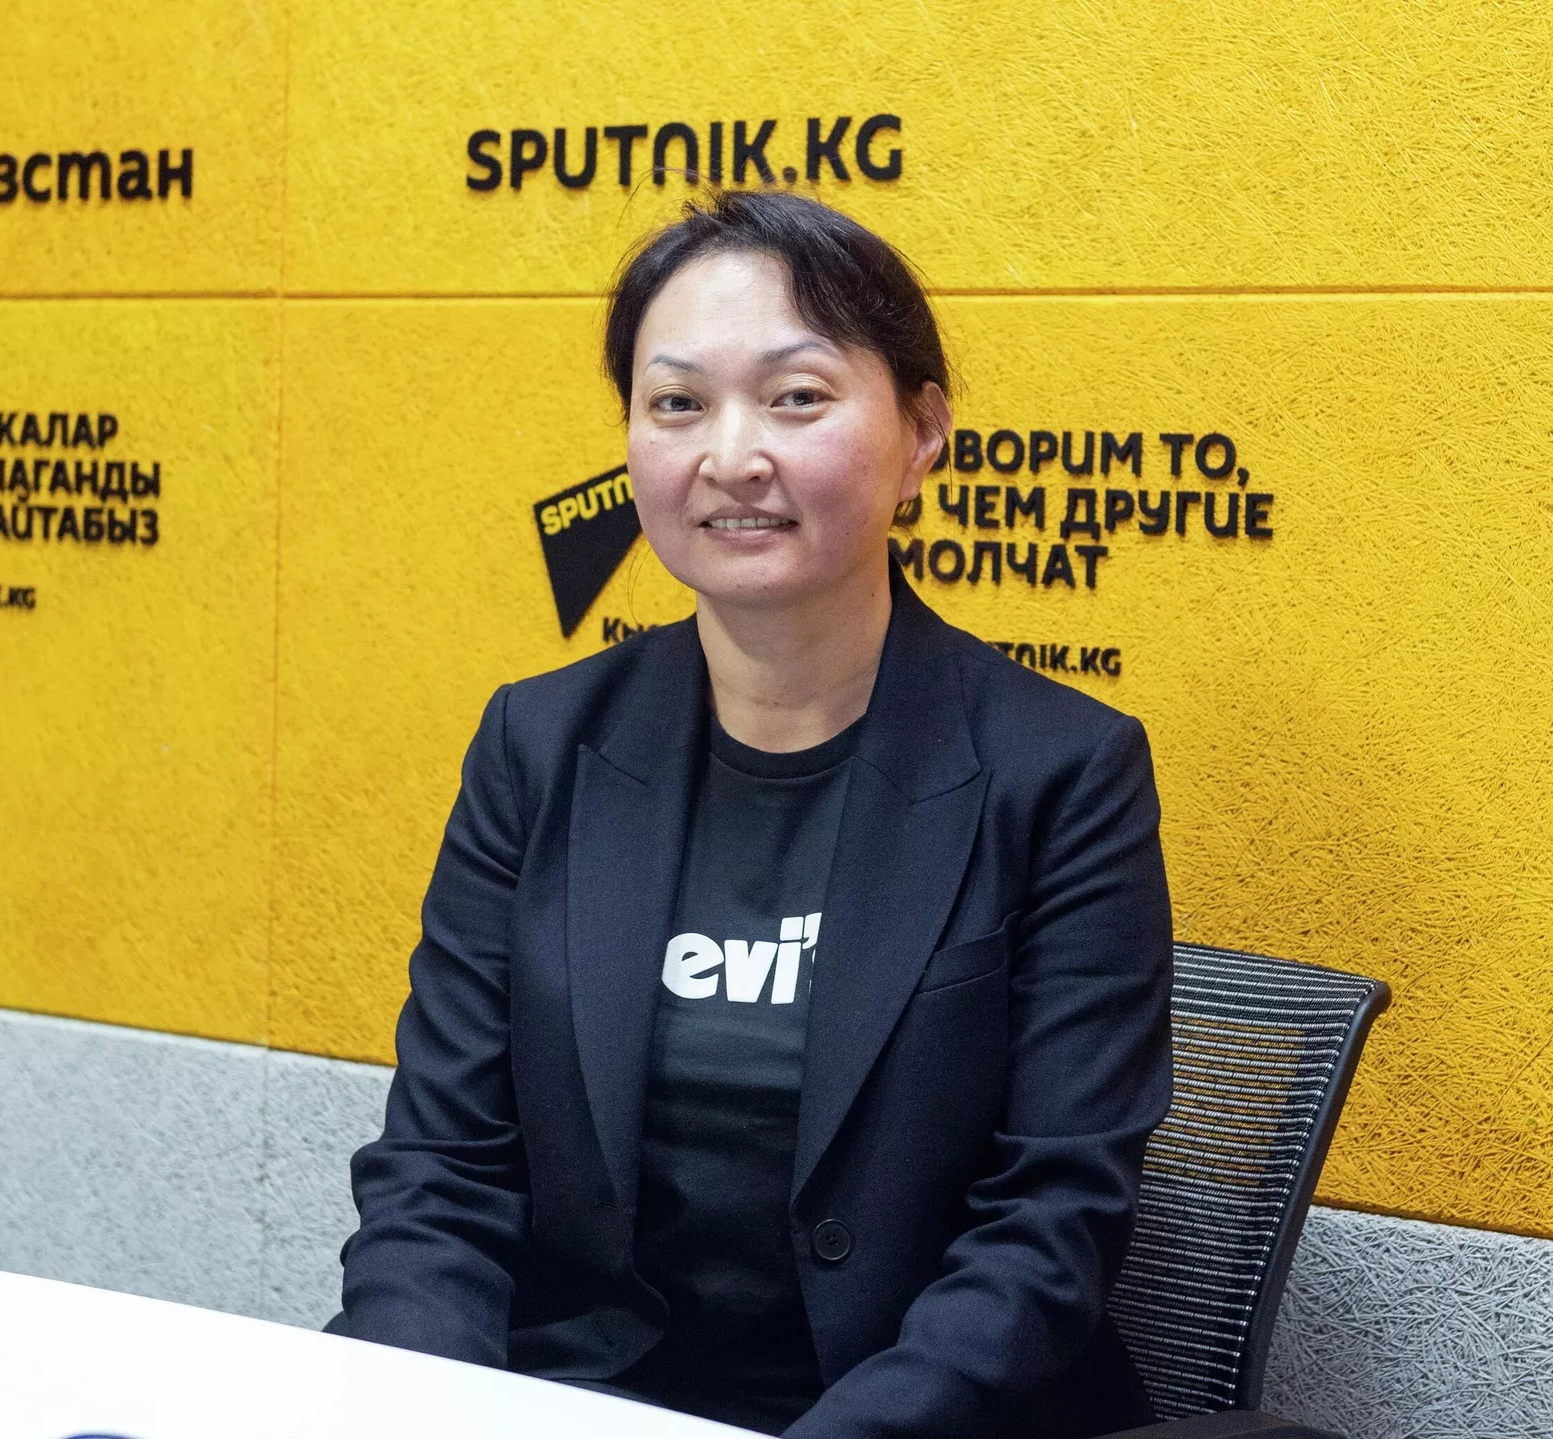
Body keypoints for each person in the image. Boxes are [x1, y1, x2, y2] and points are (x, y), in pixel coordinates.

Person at [329, 191, 1173, 1439]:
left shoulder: (1061, 773)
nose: (732, 455)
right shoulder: (539, 745)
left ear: (923, 432)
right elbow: (442, 1171)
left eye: (797, 396)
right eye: (678, 403)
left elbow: (1051, 1226)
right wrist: (422, 1409)